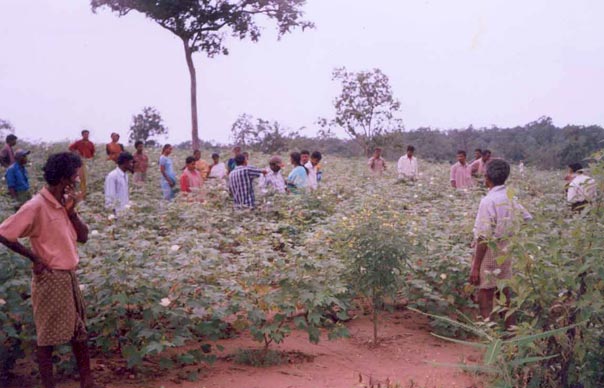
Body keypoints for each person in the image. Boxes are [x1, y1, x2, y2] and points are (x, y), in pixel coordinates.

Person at [0, 152, 98, 388]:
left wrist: (71, 212)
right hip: (51, 278)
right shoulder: (36, 206)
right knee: (48, 337)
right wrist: (34, 257)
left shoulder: (63, 205)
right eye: (75, 176)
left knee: (79, 333)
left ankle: (87, 382)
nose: (77, 180)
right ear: (65, 178)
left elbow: (83, 237)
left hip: (68, 276)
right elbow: (4, 233)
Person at [470, 159, 532, 328]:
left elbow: (483, 236)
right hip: (507, 247)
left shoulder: (488, 201)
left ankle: (489, 330)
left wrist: (475, 266)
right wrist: (511, 232)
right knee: (503, 288)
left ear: (486, 177)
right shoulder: (509, 197)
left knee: (485, 289)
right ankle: (510, 329)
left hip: (490, 248)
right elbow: (527, 218)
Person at [69, 130, 95, 197]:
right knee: (81, 177)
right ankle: (82, 193)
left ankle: (88, 192)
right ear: (82, 135)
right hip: (81, 161)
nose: (86, 135)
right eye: (85, 134)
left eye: (87, 134)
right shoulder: (78, 142)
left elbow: (93, 153)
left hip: (88, 161)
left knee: (89, 177)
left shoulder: (91, 143)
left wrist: (90, 159)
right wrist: (76, 153)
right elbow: (71, 148)